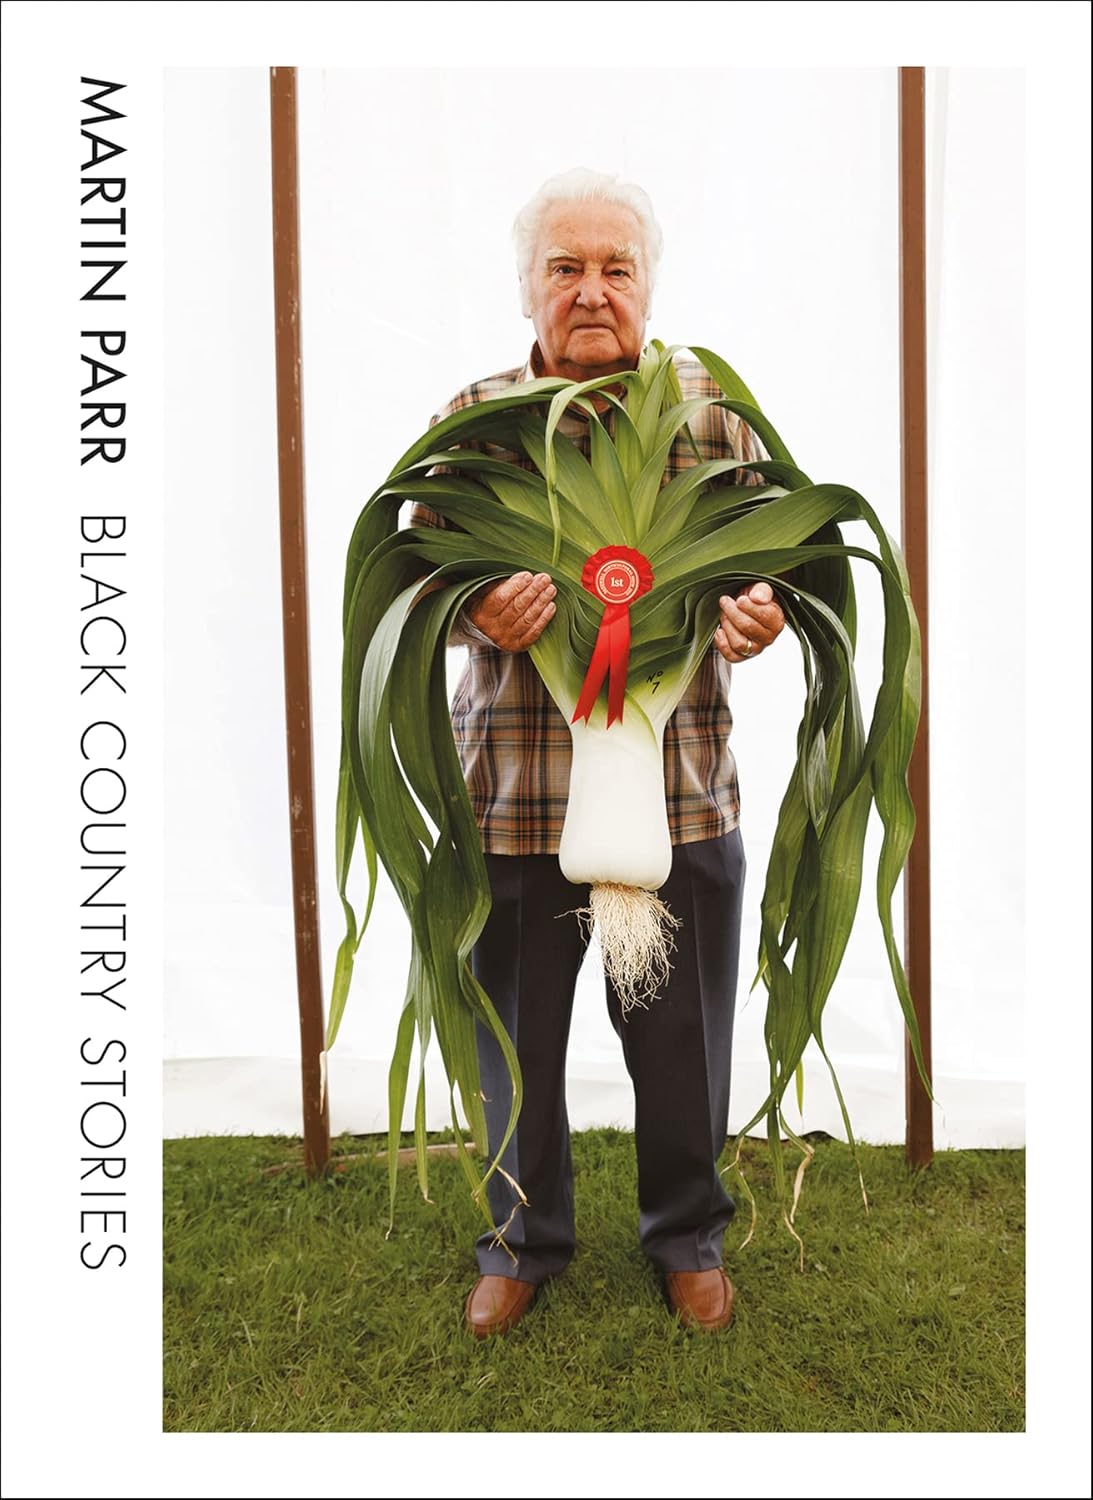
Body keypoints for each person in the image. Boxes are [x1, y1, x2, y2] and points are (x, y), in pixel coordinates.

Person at [408, 168, 786, 1338]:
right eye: (564, 267)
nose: (590, 290)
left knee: (683, 1048)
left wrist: (762, 610)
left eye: (615, 268)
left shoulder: (713, 415)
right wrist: (475, 612)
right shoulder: (476, 420)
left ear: (648, 284)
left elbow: (772, 563)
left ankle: (687, 1239)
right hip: (515, 798)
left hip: (680, 801)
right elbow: (413, 579)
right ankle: (521, 1243)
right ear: (526, 287)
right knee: (512, 1047)